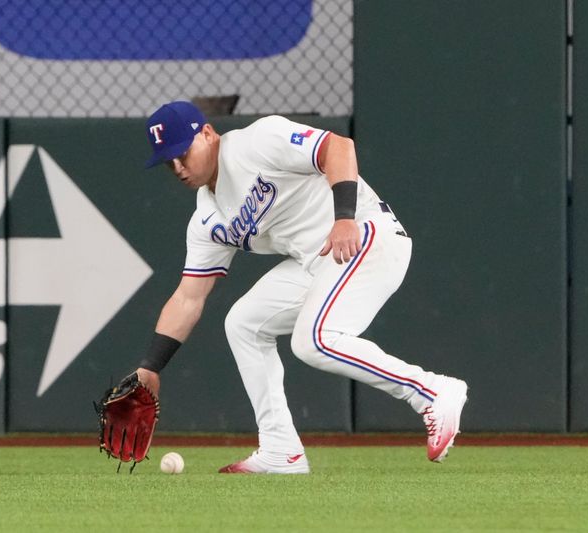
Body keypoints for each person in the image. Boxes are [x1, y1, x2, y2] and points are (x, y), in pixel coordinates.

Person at [136, 101, 468, 474]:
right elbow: (188, 297)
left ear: (209, 134)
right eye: (168, 161)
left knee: (314, 340)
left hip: (366, 235)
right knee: (244, 323)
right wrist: (151, 367)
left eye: (183, 152)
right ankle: (281, 449)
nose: (178, 167)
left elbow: (339, 147)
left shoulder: (256, 142)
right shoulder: (207, 219)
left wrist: (344, 218)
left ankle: (431, 392)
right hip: (318, 262)